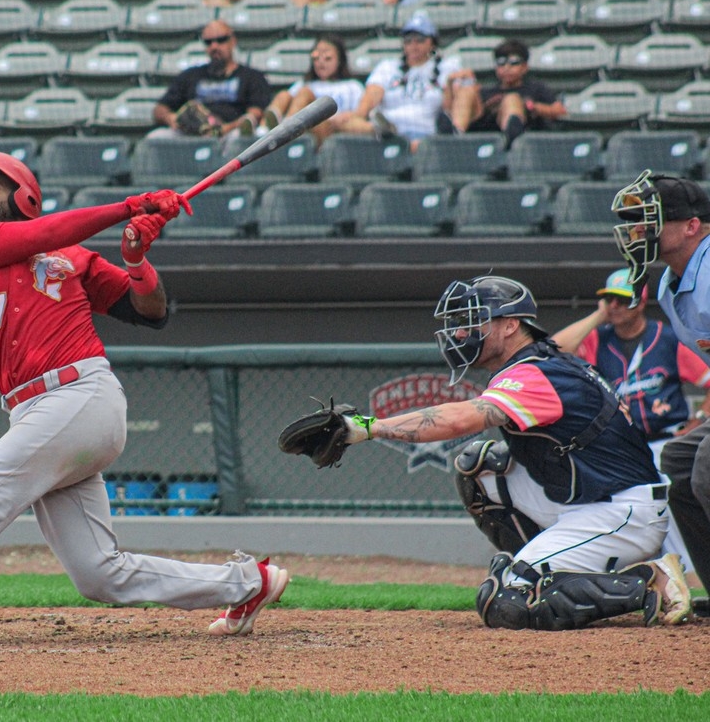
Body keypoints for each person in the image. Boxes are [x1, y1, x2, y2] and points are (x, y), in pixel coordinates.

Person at [0, 152, 289, 644]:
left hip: (81, 393)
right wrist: (131, 206)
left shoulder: (74, 256)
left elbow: (151, 311)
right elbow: (41, 235)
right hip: (36, 412)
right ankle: (248, 583)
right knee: (99, 574)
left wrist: (136, 260)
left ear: (25, 197)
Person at [283, 274, 692, 630]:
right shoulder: (541, 361)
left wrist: (367, 428)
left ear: (511, 324)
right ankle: (544, 569)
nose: (461, 333)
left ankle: (648, 580)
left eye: (474, 321)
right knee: (480, 468)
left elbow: (461, 418)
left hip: (622, 511)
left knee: (505, 602)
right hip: (587, 496)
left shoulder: (538, 373)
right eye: (459, 324)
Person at [551, 267, 710, 572]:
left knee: (669, 500)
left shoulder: (666, 337)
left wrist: (699, 419)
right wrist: (598, 316)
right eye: (609, 299)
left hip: (665, 440)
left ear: (640, 302)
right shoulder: (600, 339)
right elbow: (556, 352)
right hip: (624, 448)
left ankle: (688, 576)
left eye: (622, 300)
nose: (614, 306)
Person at [611, 170, 710, 608]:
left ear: (691, 225)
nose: (640, 232)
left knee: (706, 466)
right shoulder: (672, 284)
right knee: (680, 459)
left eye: (652, 221)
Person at [333, 12, 475, 153]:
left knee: (466, 91)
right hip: (389, 133)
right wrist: (359, 117)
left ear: (432, 42)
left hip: (429, 134)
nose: (413, 45)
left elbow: (449, 108)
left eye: (420, 39)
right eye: (408, 40)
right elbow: (369, 100)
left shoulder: (448, 66)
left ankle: (454, 142)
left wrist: (450, 84)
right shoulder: (388, 67)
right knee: (344, 122)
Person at [150, 19, 273, 142]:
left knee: (240, 137)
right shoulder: (190, 76)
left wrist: (224, 129)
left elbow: (254, 114)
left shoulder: (252, 77)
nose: (214, 46)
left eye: (221, 40)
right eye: (208, 42)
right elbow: (159, 109)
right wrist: (171, 118)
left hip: (231, 133)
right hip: (192, 135)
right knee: (156, 137)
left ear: (233, 41)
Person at [438, 38, 565, 146]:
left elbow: (560, 111)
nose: (507, 68)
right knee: (467, 91)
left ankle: (510, 137)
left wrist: (533, 107)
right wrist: (450, 83)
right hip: (486, 130)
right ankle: (454, 137)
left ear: (525, 67)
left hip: (520, 133)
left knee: (512, 98)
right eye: (501, 63)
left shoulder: (536, 88)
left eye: (514, 63)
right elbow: (449, 110)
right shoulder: (488, 90)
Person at [260, 33, 364, 145]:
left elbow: (361, 114)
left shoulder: (352, 86)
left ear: (339, 60)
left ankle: (286, 132)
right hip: (304, 131)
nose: (321, 62)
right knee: (283, 95)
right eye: (316, 58)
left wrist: (344, 117)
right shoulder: (304, 84)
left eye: (327, 58)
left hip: (331, 133)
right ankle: (261, 131)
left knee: (305, 93)